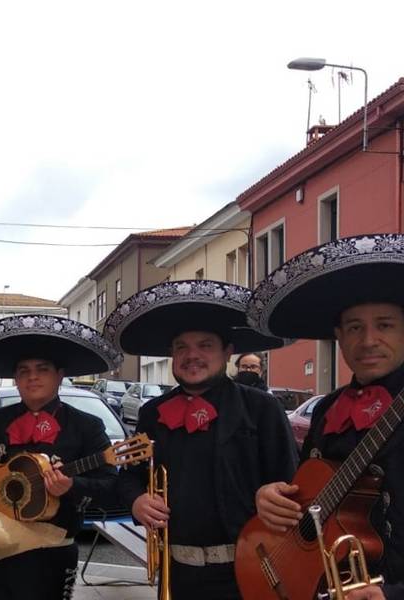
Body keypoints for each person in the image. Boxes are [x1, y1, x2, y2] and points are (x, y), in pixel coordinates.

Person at [106, 280, 297, 600]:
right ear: (172, 355)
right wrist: (137, 501)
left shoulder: (261, 408)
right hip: (179, 573)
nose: (192, 355)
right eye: (181, 347)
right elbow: (130, 479)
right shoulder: (152, 412)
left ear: (227, 353)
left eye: (205, 345)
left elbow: (291, 483)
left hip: (249, 569)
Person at [252, 234, 404, 600]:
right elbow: (305, 491)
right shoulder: (327, 408)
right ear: (338, 336)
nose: (368, 340)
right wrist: (271, 497)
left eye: (384, 325)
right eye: (354, 327)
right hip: (320, 582)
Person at [0, 314, 122, 600]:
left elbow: (111, 488)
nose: (32, 376)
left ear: (59, 375)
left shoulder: (86, 426)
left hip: (51, 555)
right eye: (24, 370)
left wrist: (73, 487)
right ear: (16, 378)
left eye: (42, 369)